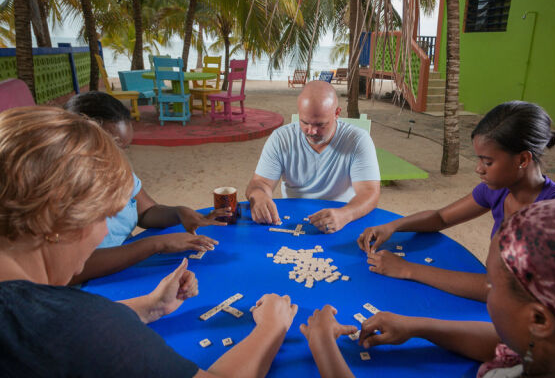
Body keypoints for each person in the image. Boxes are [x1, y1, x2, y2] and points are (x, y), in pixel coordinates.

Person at [0, 107, 298, 377]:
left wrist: (149, 307)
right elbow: (73, 330)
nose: (105, 232)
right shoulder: (77, 325)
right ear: (58, 220)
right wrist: (273, 326)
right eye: (103, 216)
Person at [302, 199, 555, 378]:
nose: (486, 291)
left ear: (538, 318)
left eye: (491, 286)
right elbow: (514, 343)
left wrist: (322, 346)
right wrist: (417, 326)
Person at [357, 101, 555, 301]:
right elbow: (441, 217)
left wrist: (408, 269)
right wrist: (392, 226)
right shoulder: (499, 189)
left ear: (523, 159)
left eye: (488, 162)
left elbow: (501, 289)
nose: (478, 169)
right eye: (478, 159)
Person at [64, 91, 231, 285]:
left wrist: (179, 213)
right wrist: (155, 244)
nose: (118, 158)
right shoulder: (56, 190)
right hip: (93, 285)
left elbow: (146, 211)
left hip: (128, 268)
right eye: (112, 146)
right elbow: (71, 269)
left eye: (123, 148)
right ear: (77, 141)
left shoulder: (117, 172)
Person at [245, 80, 380, 234]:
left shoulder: (358, 139)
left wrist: (345, 214)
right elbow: (260, 183)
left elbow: (369, 192)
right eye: (304, 122)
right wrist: (259, 196)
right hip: (293, 220)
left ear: (337, 113)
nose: (311, 131)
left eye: (320, 125)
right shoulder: (280, 138)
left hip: (342, 219)